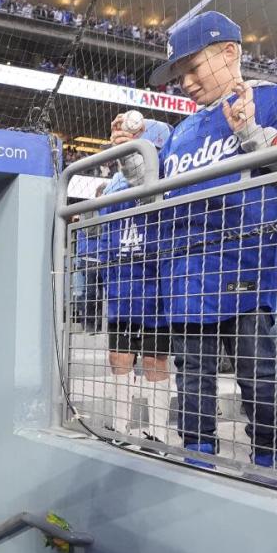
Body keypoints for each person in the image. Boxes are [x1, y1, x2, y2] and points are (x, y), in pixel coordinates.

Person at [117, 12, 277, 470]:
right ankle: (197, 451)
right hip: (183, 269)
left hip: (241, 261)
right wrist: (131, 157)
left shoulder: (274, 99)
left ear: (229, 53)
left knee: (258, 371)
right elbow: (155, 190)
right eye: (180, 74)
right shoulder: (184, 129)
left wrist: (248, 132)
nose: (185, 82)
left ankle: (269, 452)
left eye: (193, 68)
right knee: (193, 374)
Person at [98, 118, 174, 441]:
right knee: (119, 359)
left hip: (155, 286)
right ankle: (119, 425)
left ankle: (156, 430)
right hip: (123, 285)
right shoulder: (115, 183)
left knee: (155, 359)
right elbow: (105, 234)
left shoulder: (169, 175)